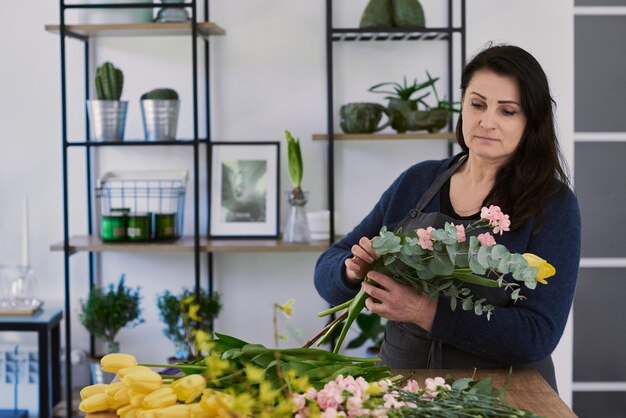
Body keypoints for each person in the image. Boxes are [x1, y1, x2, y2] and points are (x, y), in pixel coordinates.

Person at [314, 44, 581, 392]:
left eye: (508, 111)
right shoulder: (418, 181)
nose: (487, 121)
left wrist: (424, 311)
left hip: (501, 396)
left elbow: (537, 334)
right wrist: (351, 270)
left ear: (532, 120)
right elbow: (327, 271)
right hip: (402, 389)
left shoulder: (553, 205)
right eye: (477, 104)